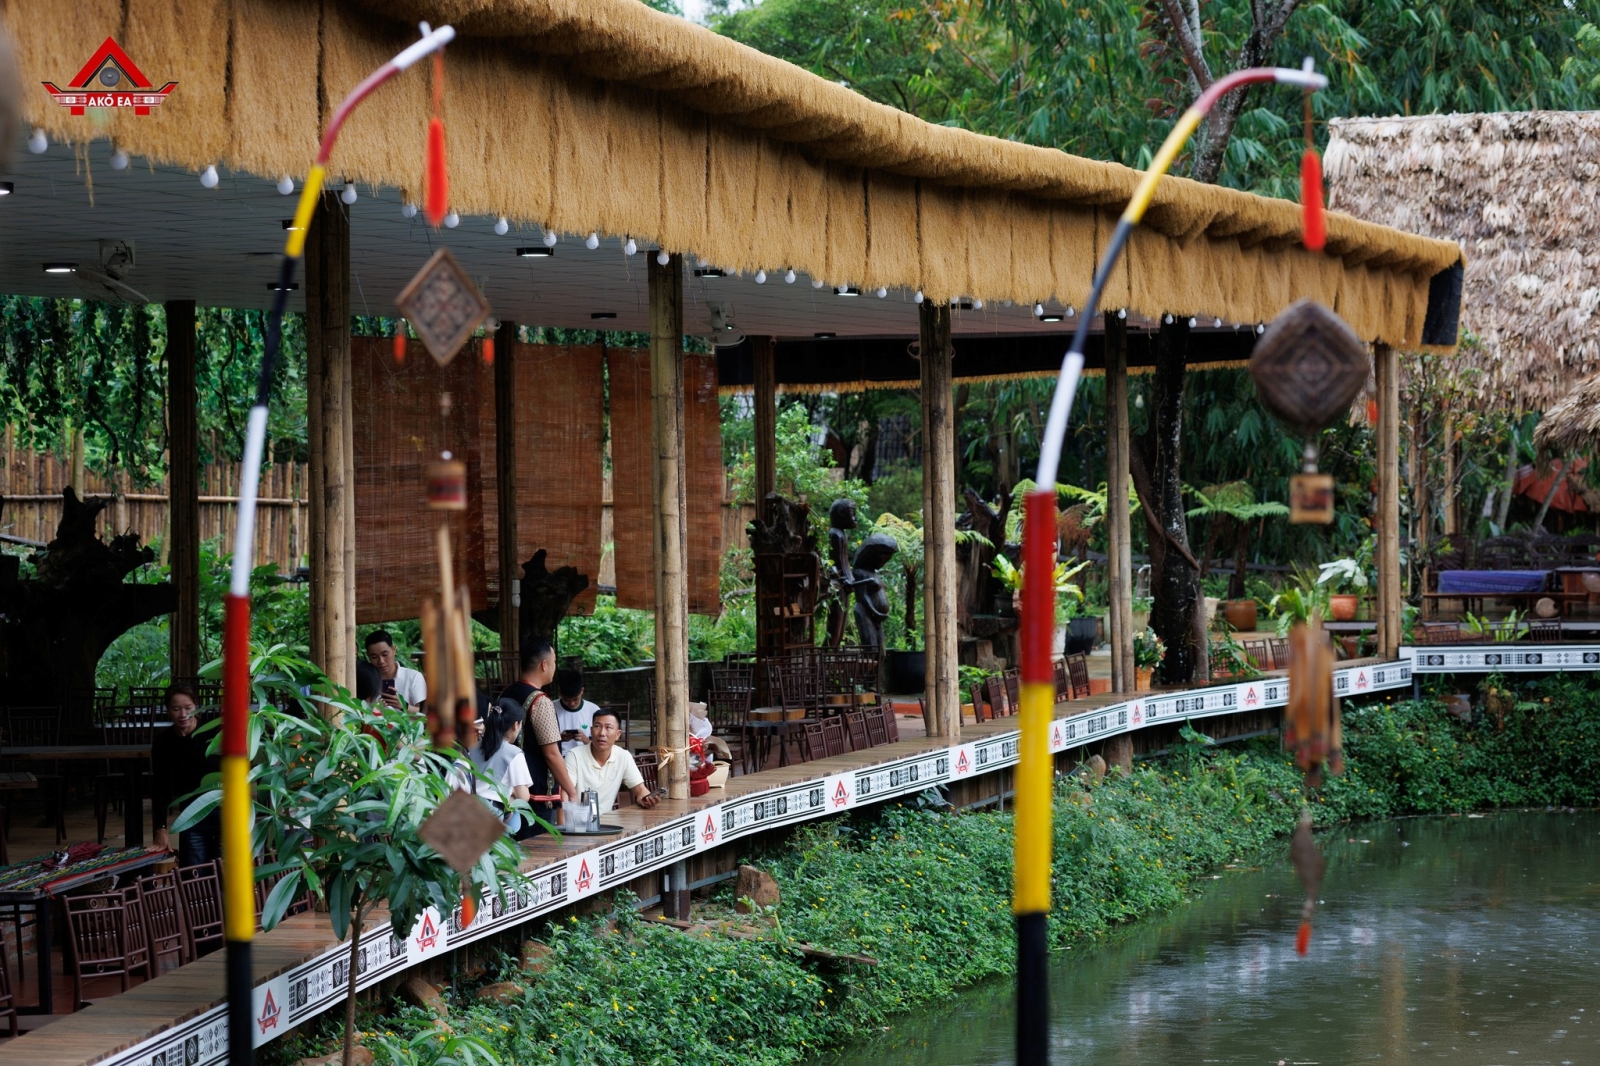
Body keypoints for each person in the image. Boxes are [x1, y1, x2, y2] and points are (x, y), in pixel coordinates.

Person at [500, 638, 579, 808]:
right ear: (544, 665)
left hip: (506, 790)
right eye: (554, 661)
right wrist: (572, 792)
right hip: (536, 796)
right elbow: (551, 754)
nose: (555, 666)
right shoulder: (540, 701)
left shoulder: (505, 693)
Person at [151, 683, 221, 866]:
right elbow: (160, 786)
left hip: (222, 810)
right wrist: (160, 828)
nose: (183, 714)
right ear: (168, 710)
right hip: (191, 814)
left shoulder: (213, 733)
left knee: (227, 874)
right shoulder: (164, 742)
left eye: (188, 708)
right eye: (176, 709)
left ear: (196, 706)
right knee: (194, 874)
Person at [563, 707, 658, 814]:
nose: (602, 733)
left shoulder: (623, 756)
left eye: (608, 727)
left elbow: (640, 790)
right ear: (591, 730)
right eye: (597, 726)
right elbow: (565, 796)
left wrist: (645, 798)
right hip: (577, 821)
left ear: (618, 734)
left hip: (607, 821)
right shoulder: (574, 756)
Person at [469, 697, 536, 837]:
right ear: (515, 725)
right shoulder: (514, 753)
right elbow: (523, 797)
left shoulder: (472, 748)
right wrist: (510, 794)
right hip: (494, 815)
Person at [365, 629, 426, 710]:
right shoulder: (366, 681)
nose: (381, 661)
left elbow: (424, 713)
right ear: (368, 656)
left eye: (385, 654)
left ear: (394, 650)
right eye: (374, 657)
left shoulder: (413, 677)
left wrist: (403, 706)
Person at [553, 668, 598, 754]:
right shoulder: (551, 708)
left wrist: (585, 739)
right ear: (560, 693)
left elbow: (599, 746)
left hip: (585, 756)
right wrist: (560, 738)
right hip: (560, 757)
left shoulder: (593, 710)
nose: (572, 703)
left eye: (575, 699)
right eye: (567, 699)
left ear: (582, 691)